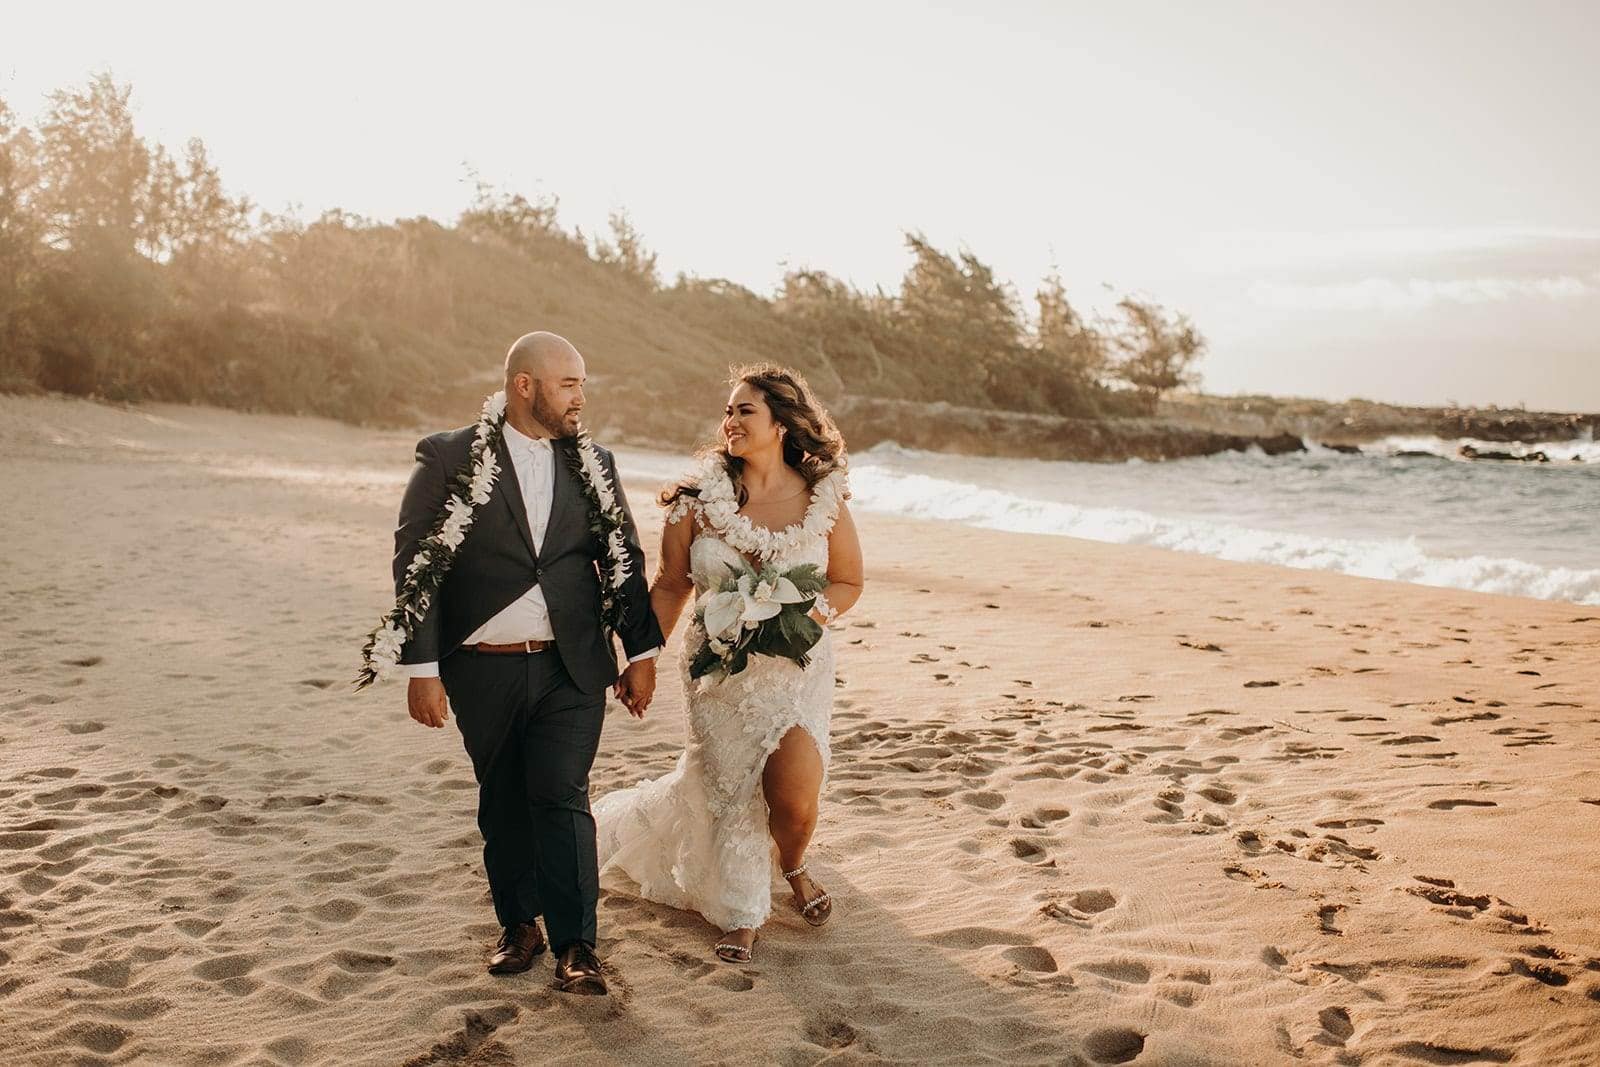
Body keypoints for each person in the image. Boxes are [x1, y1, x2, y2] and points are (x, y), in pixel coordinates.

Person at [392, 332, 664, 994]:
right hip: (479, 667)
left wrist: (641, 653)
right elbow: (416, 563)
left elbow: (623, 559)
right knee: (504, 797)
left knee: (562, 794)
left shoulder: (595, 462)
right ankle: (519, 925)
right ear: (524, 385)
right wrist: (421, 668)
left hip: (572, 665)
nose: (580, 397)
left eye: (582, 384)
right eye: (568, 384)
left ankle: (577, 944)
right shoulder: (449, 456)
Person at [594, 364, 865, 963]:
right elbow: (670, 586)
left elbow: (848, 581)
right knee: (730, 787)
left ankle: (792, 863)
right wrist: (642, 661)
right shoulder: (695, 500)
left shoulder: (824, 498)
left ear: (782, 424)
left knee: (794, 796)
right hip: (717, 668)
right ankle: (742, 913)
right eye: (728, 411)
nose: (731, 422)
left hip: (797, 667)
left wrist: (806, 615)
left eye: (745, 411)